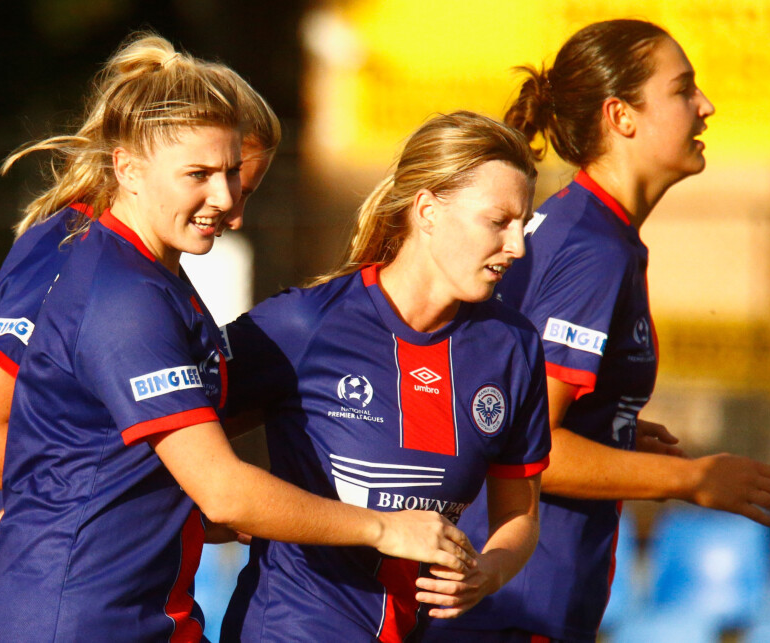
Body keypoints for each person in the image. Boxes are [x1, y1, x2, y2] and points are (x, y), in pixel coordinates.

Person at [0, 32, 474, 642]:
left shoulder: (157, 279)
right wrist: (384, 526)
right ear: (127, 167)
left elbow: (93, 462)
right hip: (78, 618)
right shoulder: (120, 294)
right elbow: (222, 489)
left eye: (234, 177)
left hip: (135, 611)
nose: (226, 201)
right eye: (199, 174)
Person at [423, 19, 770, 643]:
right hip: (514, 607)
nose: (704, 106)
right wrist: (695, 479)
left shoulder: (585, 228)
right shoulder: (592, 246)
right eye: (683, 90)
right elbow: (525, 448)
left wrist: (612, 430)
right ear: (621, 115)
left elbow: (509, 407)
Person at [0, 36, 283, 640]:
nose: (233, 208)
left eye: (244, 187)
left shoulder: (157, 271)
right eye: (219, 177)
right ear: (141, 164)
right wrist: (202, 488)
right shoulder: (72, 252)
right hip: (33, 589)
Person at [218, 110, 551, 643]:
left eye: (522, 224)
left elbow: (520, 516)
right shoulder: (303, 324)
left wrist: (491, 572)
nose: (517, 246)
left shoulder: (512, 346)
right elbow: (172, 431)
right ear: (427, 211)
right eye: (498, 221)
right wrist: (211, 511)